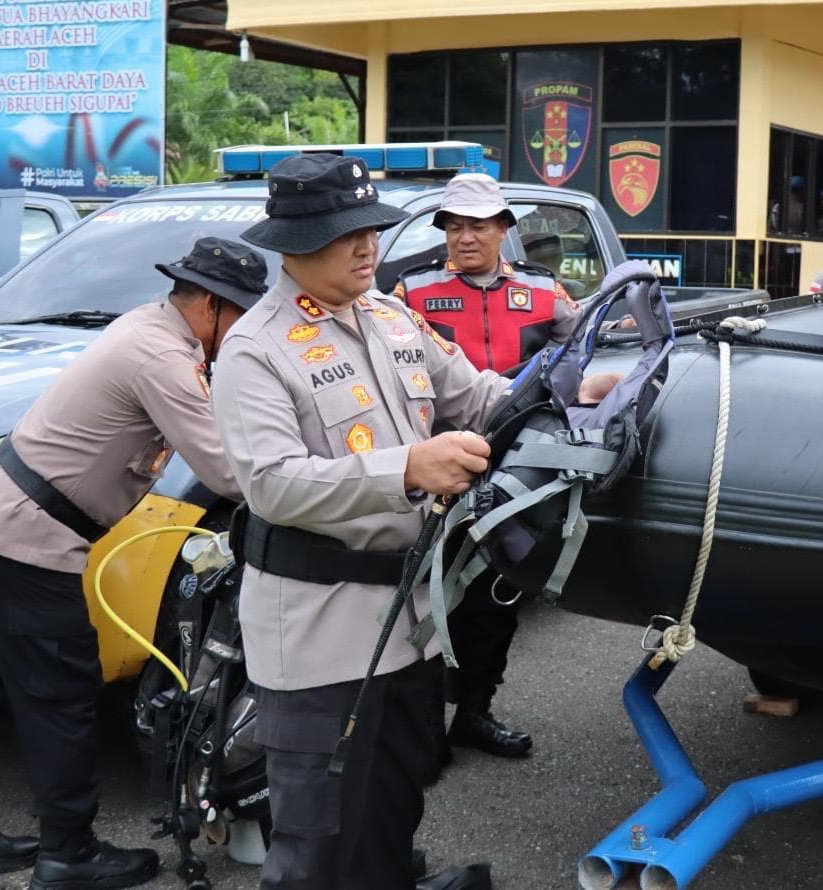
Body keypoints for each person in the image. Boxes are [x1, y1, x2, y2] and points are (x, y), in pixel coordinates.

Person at [213, 152, 615, 890]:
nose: (368, 246)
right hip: (319, 639)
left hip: (411, 621)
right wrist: (406, 469)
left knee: (394, 807)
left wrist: (574, 388)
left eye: (371, 228)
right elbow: (270, 484)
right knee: (319, 842)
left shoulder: (393, 317)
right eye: (346, 233)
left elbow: (479, 394)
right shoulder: (255, 350)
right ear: (292, 243)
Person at [0, 237, 267, 887]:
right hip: (29, 538)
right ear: (214, 306)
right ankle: (68, 853)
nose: (246, 332)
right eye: (244, 315)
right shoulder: (163, 358)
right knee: (62, 695)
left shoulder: (145, 327)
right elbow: (227, 472)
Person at [392, 173, 581, 762]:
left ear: (504, 229)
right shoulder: (411, 292)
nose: (465, 237)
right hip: (435, 462)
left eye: (478, 225)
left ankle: (474, 711)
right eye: (454, 226)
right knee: (424, 590)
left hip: (516, 466)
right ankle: (423, 723)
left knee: (497, 589)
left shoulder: (546, 291)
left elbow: (586, 352)